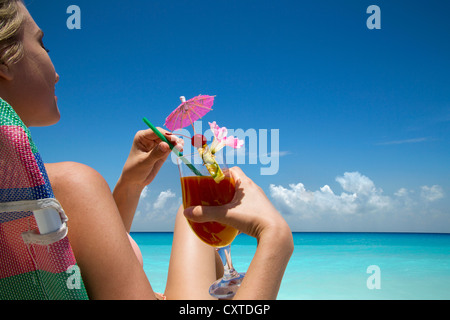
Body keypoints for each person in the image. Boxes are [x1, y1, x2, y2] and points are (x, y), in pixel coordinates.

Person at [0, 0, 293, 300]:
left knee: (190, 210)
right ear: (5, 62)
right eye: (42, 43)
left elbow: (94, 261)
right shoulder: (71, 183)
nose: (57, 71)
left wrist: (130, 184)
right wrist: (275, 238)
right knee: (193, 211)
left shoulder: (21, 193)